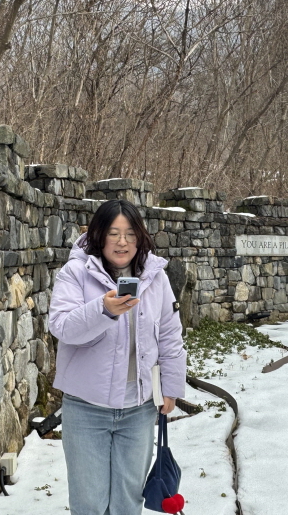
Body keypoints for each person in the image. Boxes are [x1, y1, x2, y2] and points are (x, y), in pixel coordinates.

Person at [49, 199, 186, 515]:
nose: (122, 242)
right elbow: (62, 327)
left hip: (138, 409)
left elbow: (169, 335)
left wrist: (170, 388)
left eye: (130, 234)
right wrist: (103, 310)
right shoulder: (76, 272)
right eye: (113, 233)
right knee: (89, 503)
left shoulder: (156, 278)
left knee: (127, 502)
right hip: (86, 409)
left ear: (140, 237)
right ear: (99, 235)